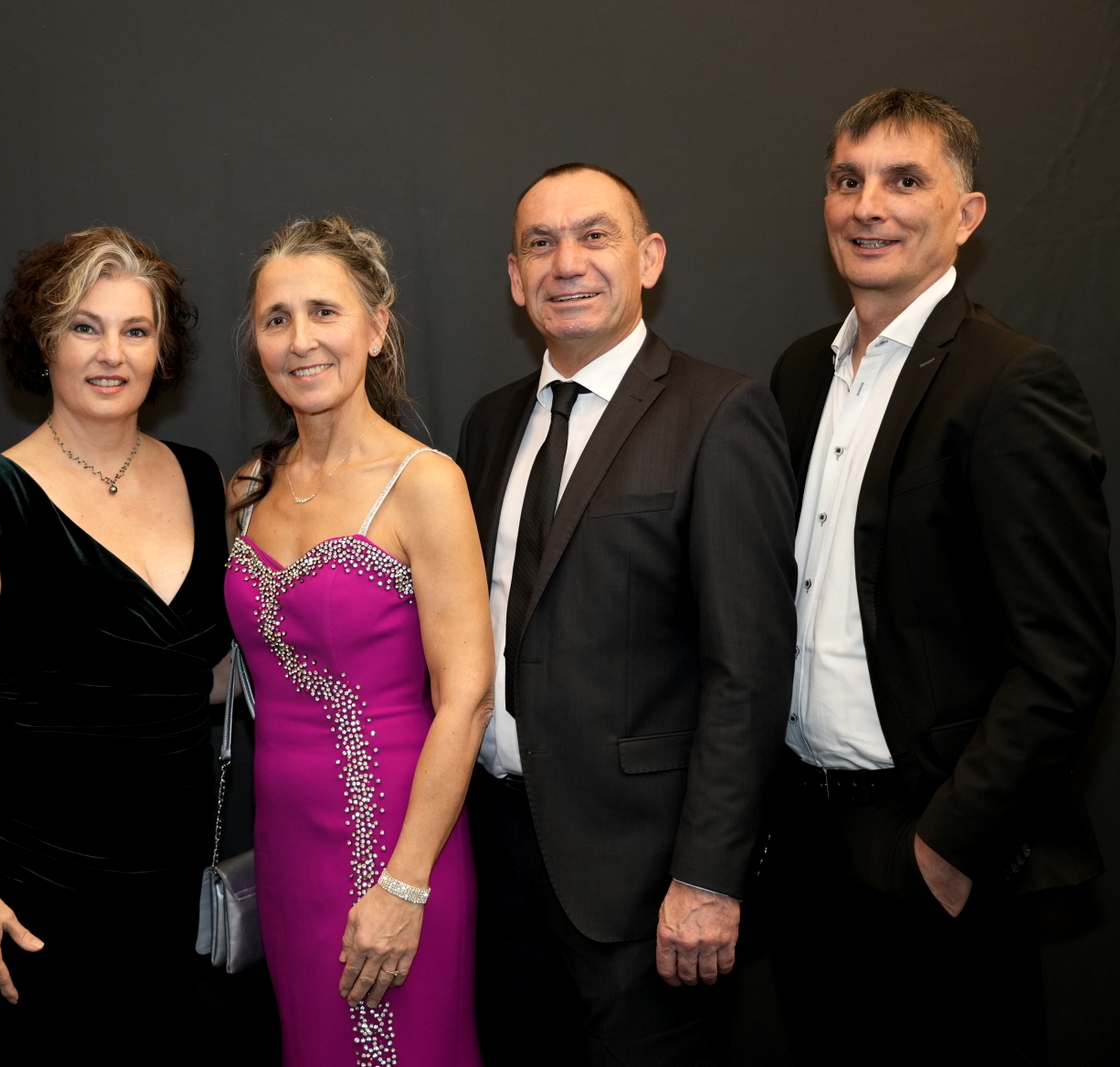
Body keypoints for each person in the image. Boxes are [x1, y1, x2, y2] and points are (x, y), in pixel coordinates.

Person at [762, 88, 1114, 1065]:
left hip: (925, 837)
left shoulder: (1010, 381)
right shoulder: (799, 374)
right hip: (804, 836)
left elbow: (1064, 657)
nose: (867, 205)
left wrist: (948, 843)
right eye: (847, 180)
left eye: (904, 180)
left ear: (966, 214)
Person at [455, 164, 798, 1065]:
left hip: (644, 880)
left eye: (594, 236)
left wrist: (709, 875)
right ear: (515, 277)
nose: (566, 262)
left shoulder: (720, 413)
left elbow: (749, 669)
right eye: (540, 243)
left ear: (649, 258)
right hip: (496, 855)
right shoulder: (490, 425)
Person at [0, 227, 231, 1060]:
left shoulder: (202, 479)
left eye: (135, 329)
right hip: (36, 887)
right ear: (43, 342)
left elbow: (197, 672)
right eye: (85, 327)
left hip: (172, 879)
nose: (111, 353)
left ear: (162, 350)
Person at [223, 216, 492, 1066]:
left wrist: (404, 885)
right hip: (285, 851)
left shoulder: (426, 483)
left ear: (376, 328)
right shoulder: (250, 487)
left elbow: (467, 698)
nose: (300, 340)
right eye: (276, 318)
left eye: (324, 312)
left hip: (399, 842)